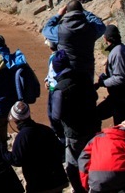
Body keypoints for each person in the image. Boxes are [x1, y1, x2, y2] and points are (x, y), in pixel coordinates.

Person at [49, 50, 100, 193]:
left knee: (73, 166)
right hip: (92, 126)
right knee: (92, 159)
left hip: (74, 133)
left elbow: (56, 115)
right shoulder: (84, 77)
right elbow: (94, 97)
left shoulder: (60, 89)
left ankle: (80, 189)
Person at [0, 101, 69, 193]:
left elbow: (16, 160)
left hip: (40, 185)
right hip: (57, 181)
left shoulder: (22, 137)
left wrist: (2, 150)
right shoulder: (46, 129)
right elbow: (60, 151)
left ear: (15, 119)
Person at [41, 0, 106, 83]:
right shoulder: (91, 29)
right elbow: (101, 25)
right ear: (81, 11)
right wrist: (85, 12)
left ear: (67, 12)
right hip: (86, 73)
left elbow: (46, 30)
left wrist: (58, 15)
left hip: (67, 73)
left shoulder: (60, 30)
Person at [78, 118, 125, 193]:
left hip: (96, 183)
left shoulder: (96, 138)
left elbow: (83, 160)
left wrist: (86, 184)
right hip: (120, 182)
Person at [95, 25, 125, 126]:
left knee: (122, 128)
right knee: (97, 115)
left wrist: (103, 83)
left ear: (105, 38)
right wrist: (106, 78)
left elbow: (120, 78)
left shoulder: (118, 52)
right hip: (120, 97)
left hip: (124, 100)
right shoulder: (118, 49)